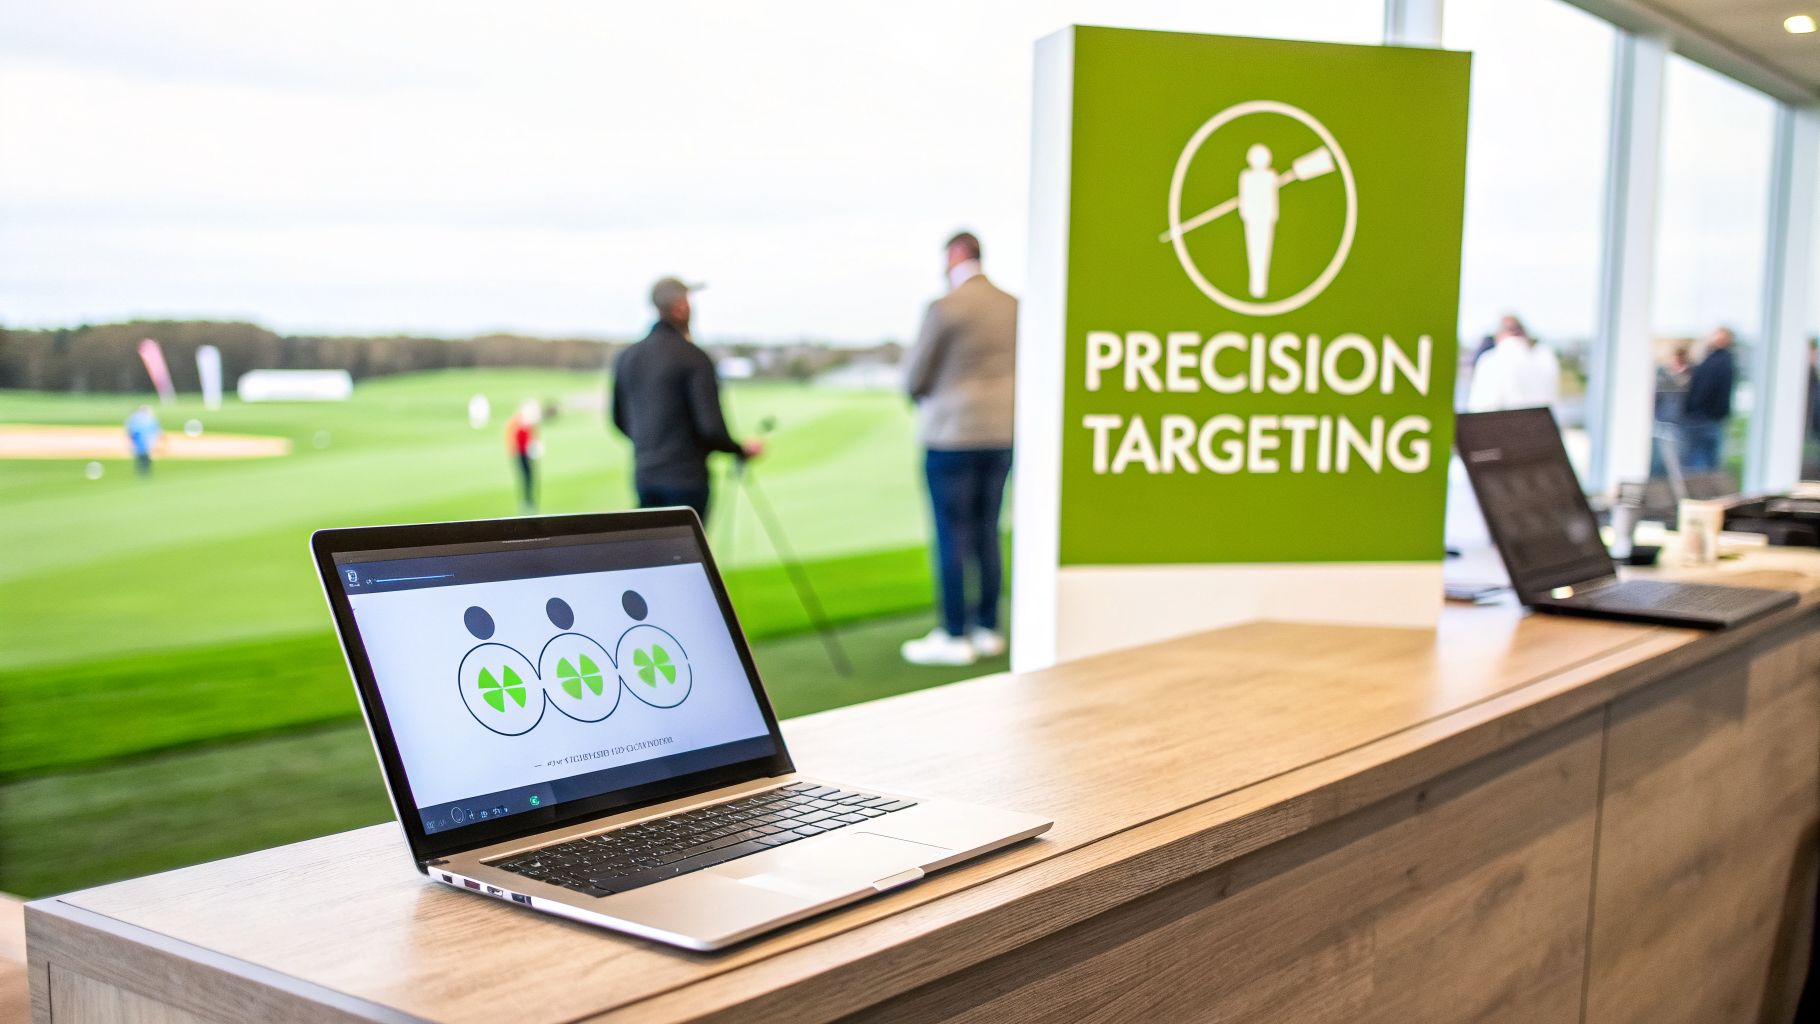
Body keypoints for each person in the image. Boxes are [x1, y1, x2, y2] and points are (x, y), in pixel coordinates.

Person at [900, 231, 1018, 667]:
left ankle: (954, 634)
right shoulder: (1014, 306)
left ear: (955, 255)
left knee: (952, 535)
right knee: (988, 530)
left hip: (951, 436)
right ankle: (988, 628)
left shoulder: (945, 307)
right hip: (1002, 434)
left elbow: (916, 377)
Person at [610, 277, 761, 522]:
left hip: (645, 477)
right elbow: (711, 429)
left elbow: (619, 420)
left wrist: (653, 447)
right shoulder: (694, 357)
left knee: (652, 544)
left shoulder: (628, 357)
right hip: (687, 480)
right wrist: (739, 449)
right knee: (687, 546)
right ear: (680, 307)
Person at [1465, 316, 1559, 414]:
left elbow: (1479, 408)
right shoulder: (1547, 358)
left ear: (1499, 334)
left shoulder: (1490, 360)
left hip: (1505, 423)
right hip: (1544, 423)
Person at [1679, 326, 1736, 472]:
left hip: (1702, 419)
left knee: (1697, 465)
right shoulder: (1725, 361)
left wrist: (1692, 411)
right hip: (1710, 419)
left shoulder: (1715, 362)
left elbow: (1703, 391)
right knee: (1708, 464)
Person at [506, 400, 540, 512]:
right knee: (525, 477)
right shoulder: (518, 421)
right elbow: (513, 438)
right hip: (520, 454)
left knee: (530, 477)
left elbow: (532, 437)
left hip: (527, 454)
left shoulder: (528, 423)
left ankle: (530, 500)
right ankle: (526, 501)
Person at [124, 404, 161, 477]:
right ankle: (142, 470)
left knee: (145, 456)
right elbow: (131, 432)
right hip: (140, 441)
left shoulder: (149, 419)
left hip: (146, 441)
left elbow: (156, 431)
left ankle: (145, 470)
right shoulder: (136, 419)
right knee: (141, 456)